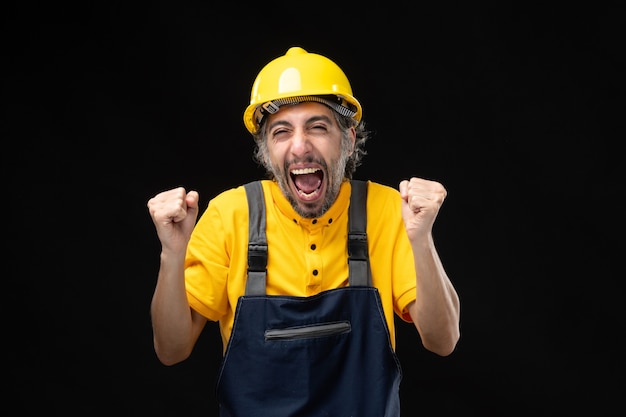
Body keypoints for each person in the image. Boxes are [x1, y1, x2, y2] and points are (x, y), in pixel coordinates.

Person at [147, 46, 460, 416]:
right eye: (281, 131)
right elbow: (171, 349)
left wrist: (421, 240)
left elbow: (443, 341)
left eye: (318, 127)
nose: (300, 146)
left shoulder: (388, 210)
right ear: (266, 150)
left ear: (349, 139)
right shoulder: (230, 215)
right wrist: (171, 253)